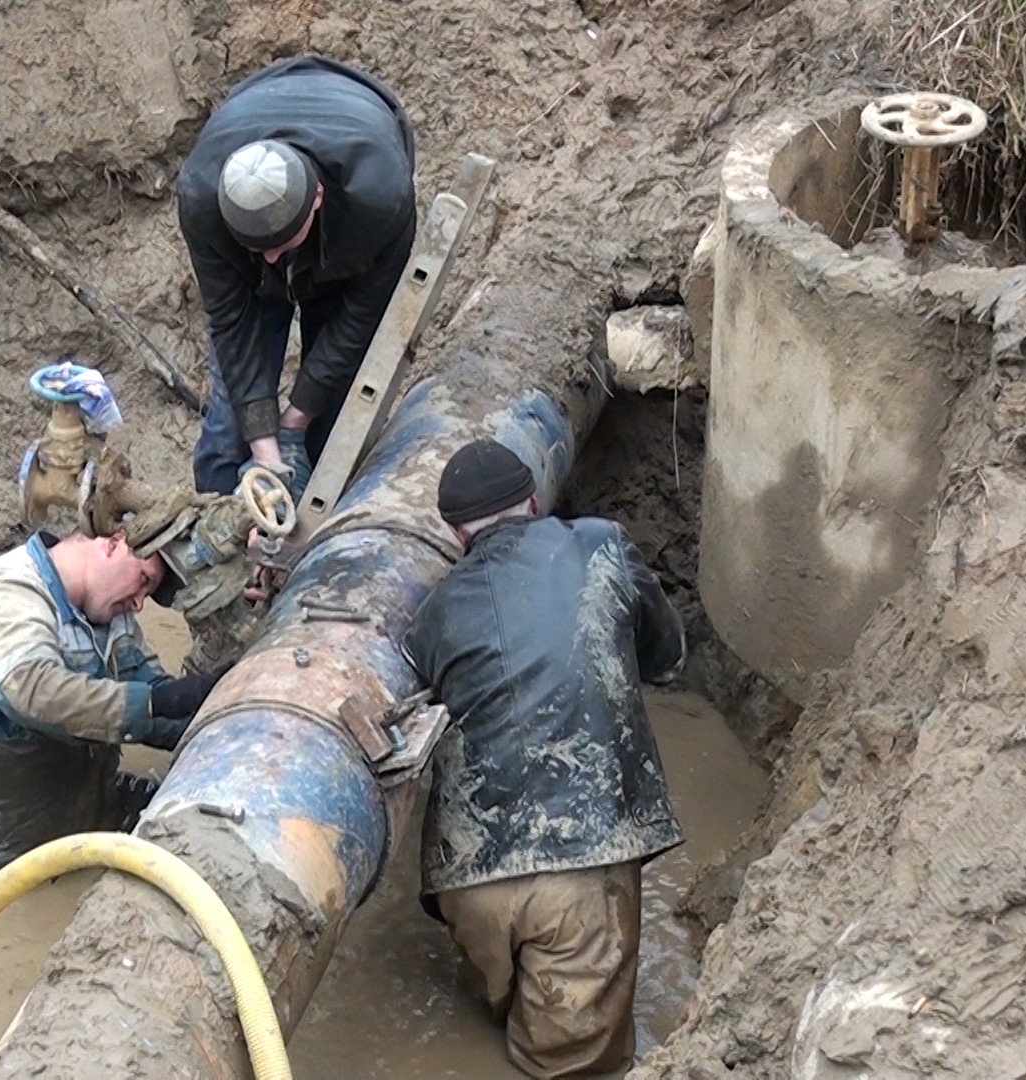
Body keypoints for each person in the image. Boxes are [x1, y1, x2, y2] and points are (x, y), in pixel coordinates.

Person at [402, 439, 689, 1079]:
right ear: (535, 500)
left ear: (456, 534)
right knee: (569, 1070)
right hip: (582, 869)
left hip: (464, 882)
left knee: (498, 1013)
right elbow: (666, 655)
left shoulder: (432, 612)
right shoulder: (603, 545)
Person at [0, 530, 223, 887]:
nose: (140, 603)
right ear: (113, 543)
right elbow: (33, 692)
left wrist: (212, 718)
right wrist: (154, 702)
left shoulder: (108, 614)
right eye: (143, 580)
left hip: (59, 824)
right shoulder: (7, 589)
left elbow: (155, 701)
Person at [176, 54, 417, 499]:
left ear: (318, 197)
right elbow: (231, 322)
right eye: (257, 248)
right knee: (230, 431)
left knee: (329, 423)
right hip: (255, 106)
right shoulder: (201, 199)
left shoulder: (382, 200)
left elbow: (361, 317)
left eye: (281, 245)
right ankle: (215, 527)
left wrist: (295, 422)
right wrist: (266, 451)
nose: (270, 259)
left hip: (350, 203)